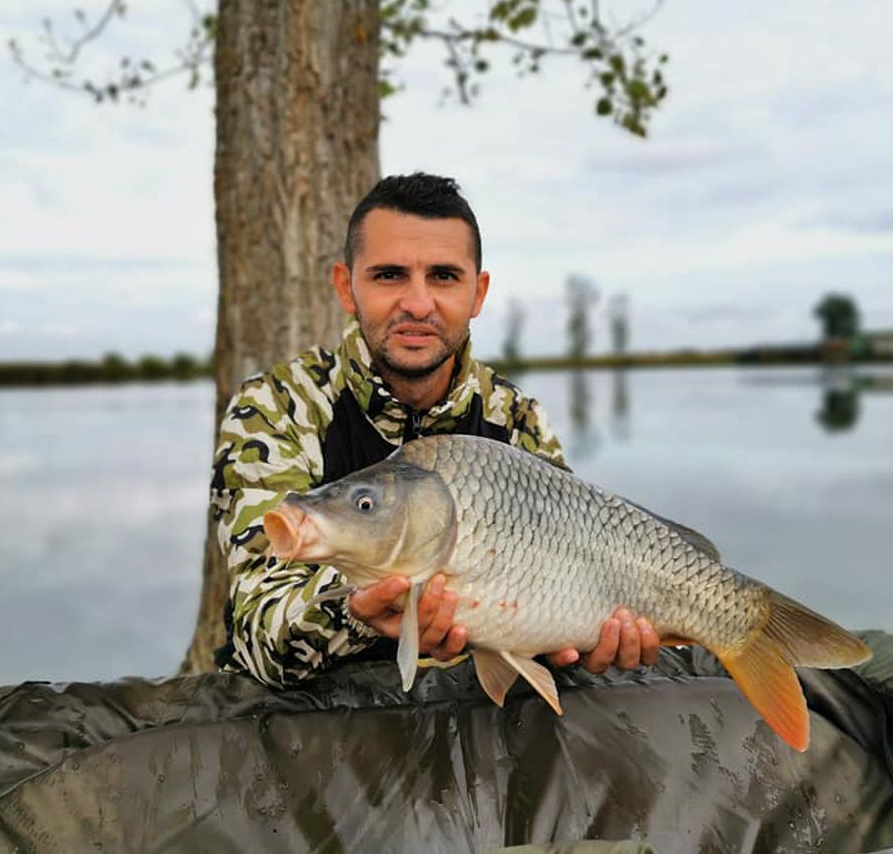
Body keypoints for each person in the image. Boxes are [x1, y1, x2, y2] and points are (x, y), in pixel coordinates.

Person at [210, 172, 659, 688]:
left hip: (475, 722)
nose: (418, 304)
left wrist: (584, 643)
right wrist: (354, 616)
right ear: (345, 286)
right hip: (315, 733)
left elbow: (563, 596)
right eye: (389, 275)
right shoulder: (278, 407)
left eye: (444, 276)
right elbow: (256, 630)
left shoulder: (514, 417)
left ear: (478, 292)